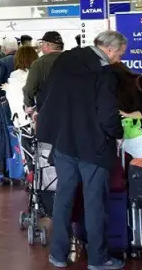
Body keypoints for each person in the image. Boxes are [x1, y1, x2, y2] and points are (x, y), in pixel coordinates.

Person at [39, 30, 126, 270]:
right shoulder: (105, 74)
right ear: (108, 50)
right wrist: (119, 133)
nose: (118, 59)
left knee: (64, 197)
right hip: (94, 147)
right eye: (118, 54)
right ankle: (98, 259)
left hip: (64, 142)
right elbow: (107, 114)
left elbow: (44, 95)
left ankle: (58, 254)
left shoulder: (65, 60)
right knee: (95, 201)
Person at [23, 31, 65, 112]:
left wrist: (28, 104)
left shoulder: (39, 63)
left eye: (42, 43)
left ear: (47, 45)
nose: (41, 46)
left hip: (49, 111)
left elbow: (30, 88)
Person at [2, 45, 37, 130]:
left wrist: (8, 89)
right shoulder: (38, 73)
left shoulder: (15, 75)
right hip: (37, 116)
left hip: (21, 119)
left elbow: (14, 97)